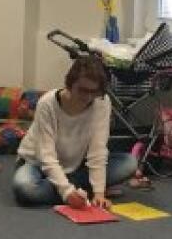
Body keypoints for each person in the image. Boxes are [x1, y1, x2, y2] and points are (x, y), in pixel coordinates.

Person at [11, 54, 139, 208]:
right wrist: (67, 192)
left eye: (94, 91)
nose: (88, 97)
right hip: (35, 163)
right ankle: (78, 190)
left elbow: (98, 151)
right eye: (83, 90)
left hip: (75, 166)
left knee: (129, 163)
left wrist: (99, 193)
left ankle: (75, 189)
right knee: (25, 187)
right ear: (70, 83)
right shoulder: (47, 104)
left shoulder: (102, 102)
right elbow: (46, 156)